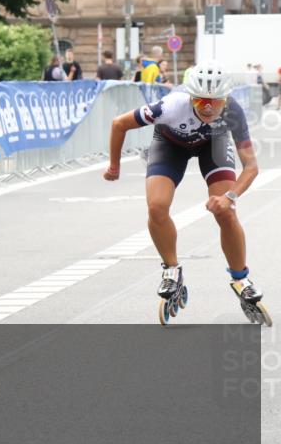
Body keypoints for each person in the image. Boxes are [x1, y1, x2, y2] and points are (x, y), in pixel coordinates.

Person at [103, 61, 270, 325]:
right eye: (201, 100)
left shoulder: (233, 112)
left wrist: (229, 197)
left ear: (225, 100)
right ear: (191, 97)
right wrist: (114, 166)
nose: (207, 108)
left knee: (226, 213)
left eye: (215, 102)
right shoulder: (171, 106)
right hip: (170, 145)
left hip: (213, 145)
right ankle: (171, 270)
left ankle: (241, 279)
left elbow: (251, 167)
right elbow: (118, 124)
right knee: (157, 207)